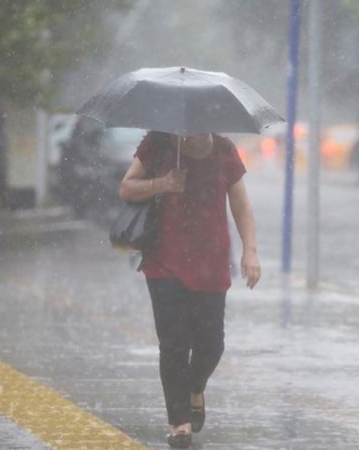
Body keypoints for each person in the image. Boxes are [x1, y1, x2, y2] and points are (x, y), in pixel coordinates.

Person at [119, 130, 261, 448]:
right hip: (164, 261)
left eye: (203, 126)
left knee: (212, 344)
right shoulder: (158, 143)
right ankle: (179, 422)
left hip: (211, 261)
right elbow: (127, 188)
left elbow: (240, 204)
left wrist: (249, 250)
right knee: (174, 345)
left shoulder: (224, 150)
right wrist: (162, 183)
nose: (195, 134)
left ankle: (195, 388)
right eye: (190, 127)